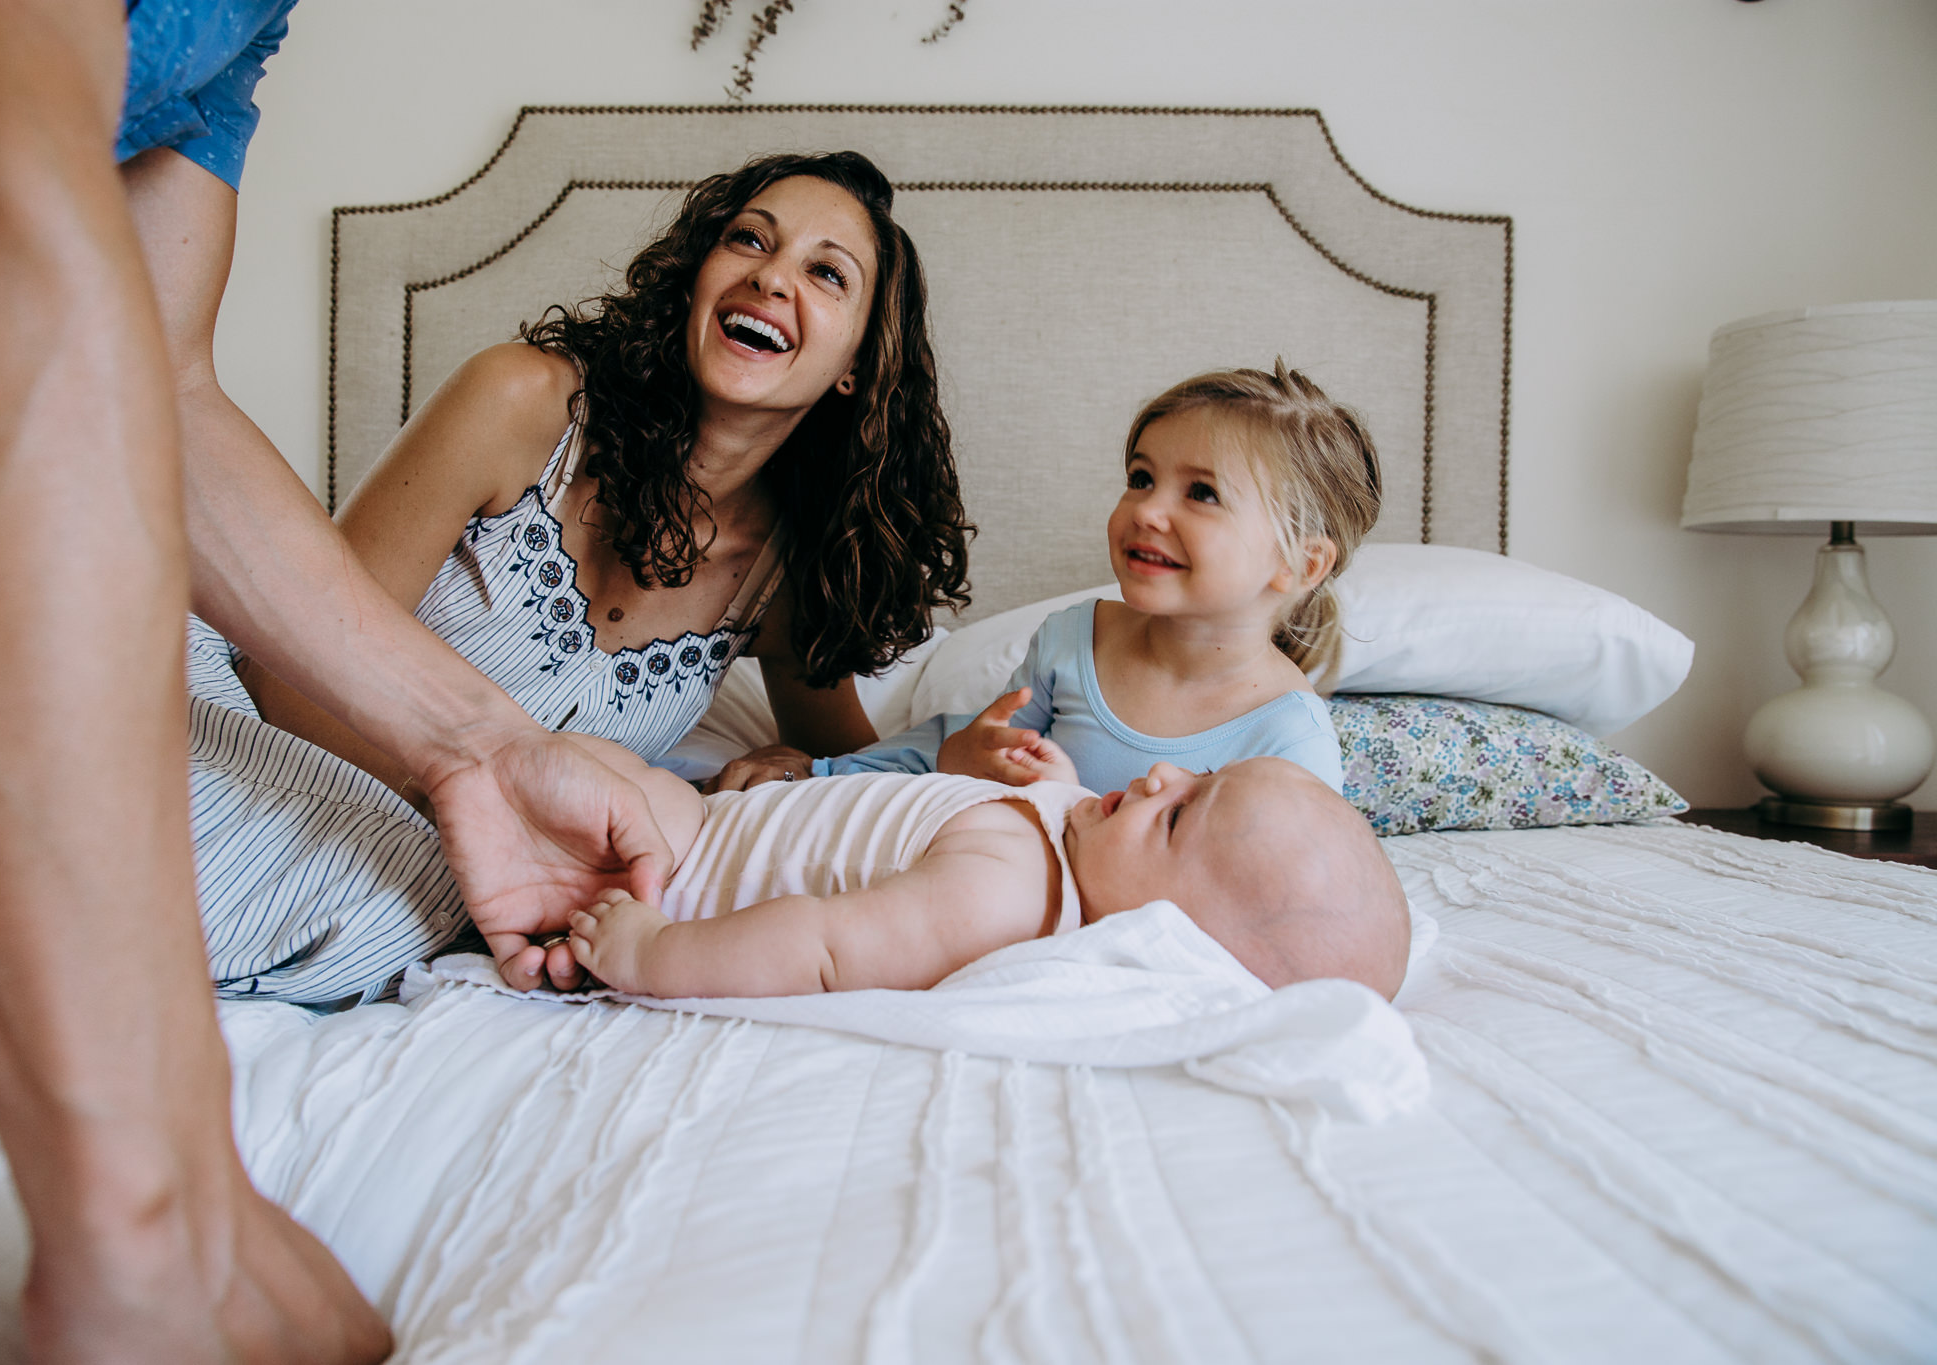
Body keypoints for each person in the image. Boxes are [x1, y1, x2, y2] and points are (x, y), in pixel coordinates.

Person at [0, 2, 668, 1358]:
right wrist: (147, 1212)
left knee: (379, 904)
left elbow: (162, 397)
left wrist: (471, 746)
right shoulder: (532, 401)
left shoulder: (237, 24)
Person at [160, 149, 966, 1003]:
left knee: (393, 909)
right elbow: (280, 672)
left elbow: (855, 765)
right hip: (236, 716)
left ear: (855, 363)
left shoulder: (782, 580)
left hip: (410, 858)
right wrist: (485, 785)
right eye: (747, 240)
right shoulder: (524, 404)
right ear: (697, 276)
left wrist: (808, 773)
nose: (771, 278)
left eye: (826, 273)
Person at [814, 364, 1383, 795]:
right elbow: (962, 751)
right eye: (1141, 477)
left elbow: (1260, 908)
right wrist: (811, 774)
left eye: (1202, 492)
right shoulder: (1073, 641)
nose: (1147, 511)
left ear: (1300, 565)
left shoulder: (1288, 741)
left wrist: (1071, 812)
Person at [542, 737, 1410, 1004]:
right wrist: (1058, 784)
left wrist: (655, 952)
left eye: (1179, 813)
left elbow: (822, 948)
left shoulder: (998, 900)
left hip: (685, 867)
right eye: (1200, 772)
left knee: (570, 772)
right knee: (577, 763)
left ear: (1170, 941)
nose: (1160, 776)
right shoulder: (1067, 853)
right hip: (708, 817)